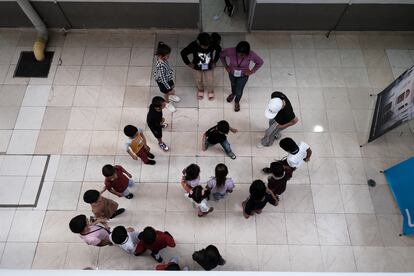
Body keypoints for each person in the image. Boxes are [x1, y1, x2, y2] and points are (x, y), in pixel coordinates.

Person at [220, 41, 263, 112]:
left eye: (243, 55)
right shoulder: (230, 51)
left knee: (239, 90)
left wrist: (252, 71)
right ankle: (233, 94)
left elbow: (260, 62)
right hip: (232, 72)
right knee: (233, 84)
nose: (241, 56)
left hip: (243, 75)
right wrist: (226, 66)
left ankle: (237, 101)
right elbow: (221, 55)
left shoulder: (251, 54)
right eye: (239, 54)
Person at [180, 32, 221, 100]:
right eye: (204, 46)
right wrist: (188, 63)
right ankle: (200, 89)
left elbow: (219, 49)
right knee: (198, 79)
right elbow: (183, 53)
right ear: (199, 42)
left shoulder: (212, 43)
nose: (206, 47)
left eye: (208, 45)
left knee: (210, 80)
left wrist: (215, 61)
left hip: (209, 65)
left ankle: (210, 91)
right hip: (197, 66)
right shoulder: (193, 45)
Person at [154, 41, 180, 112]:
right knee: (166, 93)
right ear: (161, 56)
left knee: (172, 87)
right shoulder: (161, 66)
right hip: (163, 83)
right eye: (167, 55)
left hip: (167, 78)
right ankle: (167, 103)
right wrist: (169, 88)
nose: (168, 56)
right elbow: (163, 80)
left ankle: (171, 95)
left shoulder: (162, 58)